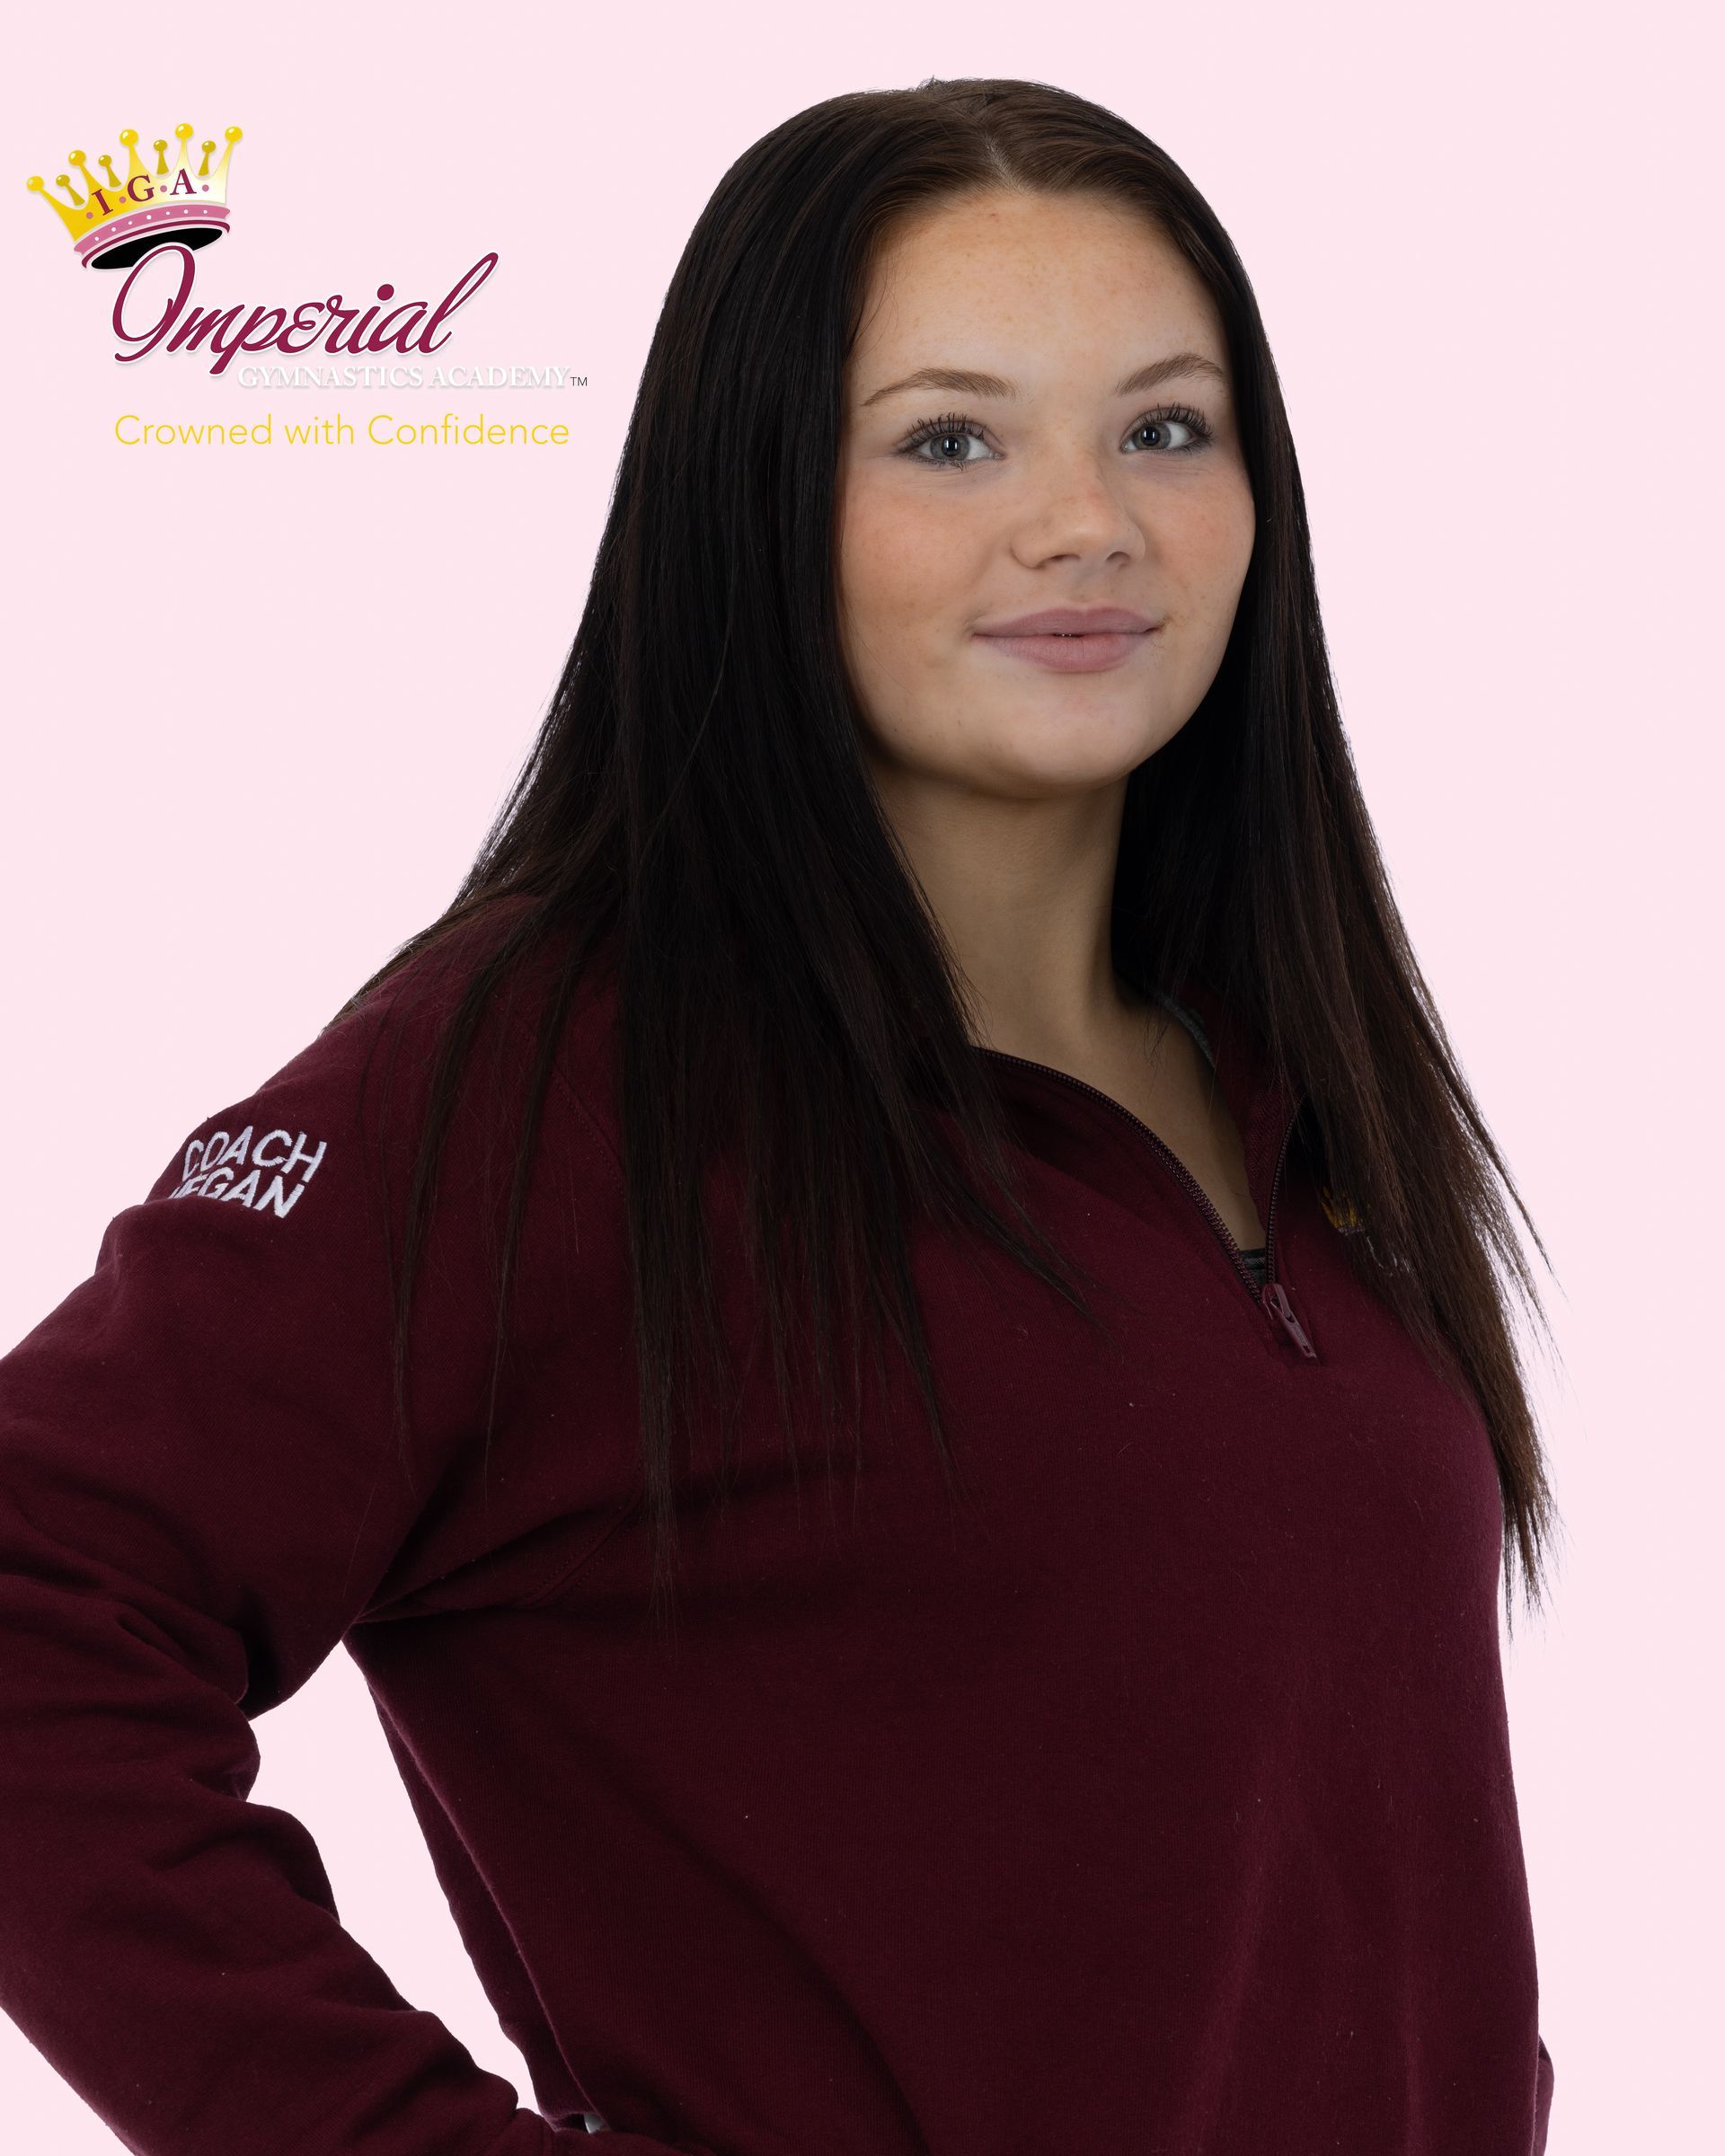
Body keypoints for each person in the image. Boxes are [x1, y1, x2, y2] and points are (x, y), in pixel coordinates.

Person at [0, 76, 1559, 2156]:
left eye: (1165, 427)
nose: (1087, 518)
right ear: (753, 498)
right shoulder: (550, 1079)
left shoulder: (1287, 1076)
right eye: (948, 437)